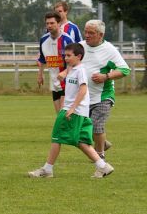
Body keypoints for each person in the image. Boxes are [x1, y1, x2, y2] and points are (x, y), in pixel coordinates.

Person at [29, 42, 114, 179]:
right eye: (65, 55)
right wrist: (63, 74)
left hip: (74, 111)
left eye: (69, 56)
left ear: (78, 56)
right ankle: (103, 166)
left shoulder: (81, 70)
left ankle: (47, 169)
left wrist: (72, 108)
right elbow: (68, 82)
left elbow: (83, 89)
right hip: (79, 112)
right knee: (82, 142)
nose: (66, 58)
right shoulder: (72, 68)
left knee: (56, 137)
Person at [80, 19, 131, 158]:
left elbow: (125, 70)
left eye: (91, 33)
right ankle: (104, 143)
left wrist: (106, 76)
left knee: (96, 125)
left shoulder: (109, 50)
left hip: (103, 96)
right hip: (84, 96)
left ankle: (100, 155)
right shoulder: (80, 47)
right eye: (86, 32)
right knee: (82, 128)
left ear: (100, 35)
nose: (87, 35)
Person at [37, 12, 73, 113]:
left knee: (62, 115)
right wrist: (40, 74)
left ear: (59, 23)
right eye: (47, 23)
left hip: (67, 83)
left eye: (52, 23)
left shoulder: (67, 40)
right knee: (59, 115)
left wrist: (65, 72)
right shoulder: (43, 40)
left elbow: (75, 62)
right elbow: (42, 59)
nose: (49, 26)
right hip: (54, 83)